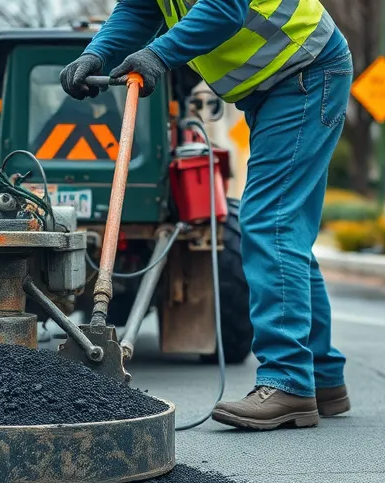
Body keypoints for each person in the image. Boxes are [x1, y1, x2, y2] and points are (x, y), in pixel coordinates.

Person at [60, 0, 354, 431]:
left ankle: (289, 381)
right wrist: (96, 53)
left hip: (305, 71)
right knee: (283, 228)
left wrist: (158, 53)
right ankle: (322, 379)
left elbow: (224, 8)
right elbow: (138, 10)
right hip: (277, 85)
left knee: (270, 221)